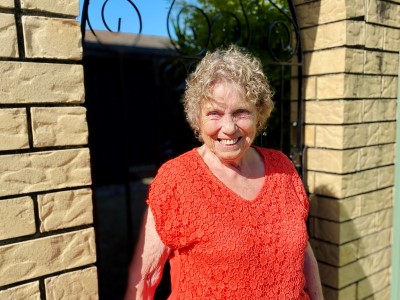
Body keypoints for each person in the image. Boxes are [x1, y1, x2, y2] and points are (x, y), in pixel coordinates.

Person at [125, 46, 323, 299]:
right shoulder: (176, 179)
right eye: (215, 113)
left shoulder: (282, 167)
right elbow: (145, 277)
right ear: (198, 117)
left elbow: (303, 254)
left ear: (259, 115)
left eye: (241, 112)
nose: (229, 128)